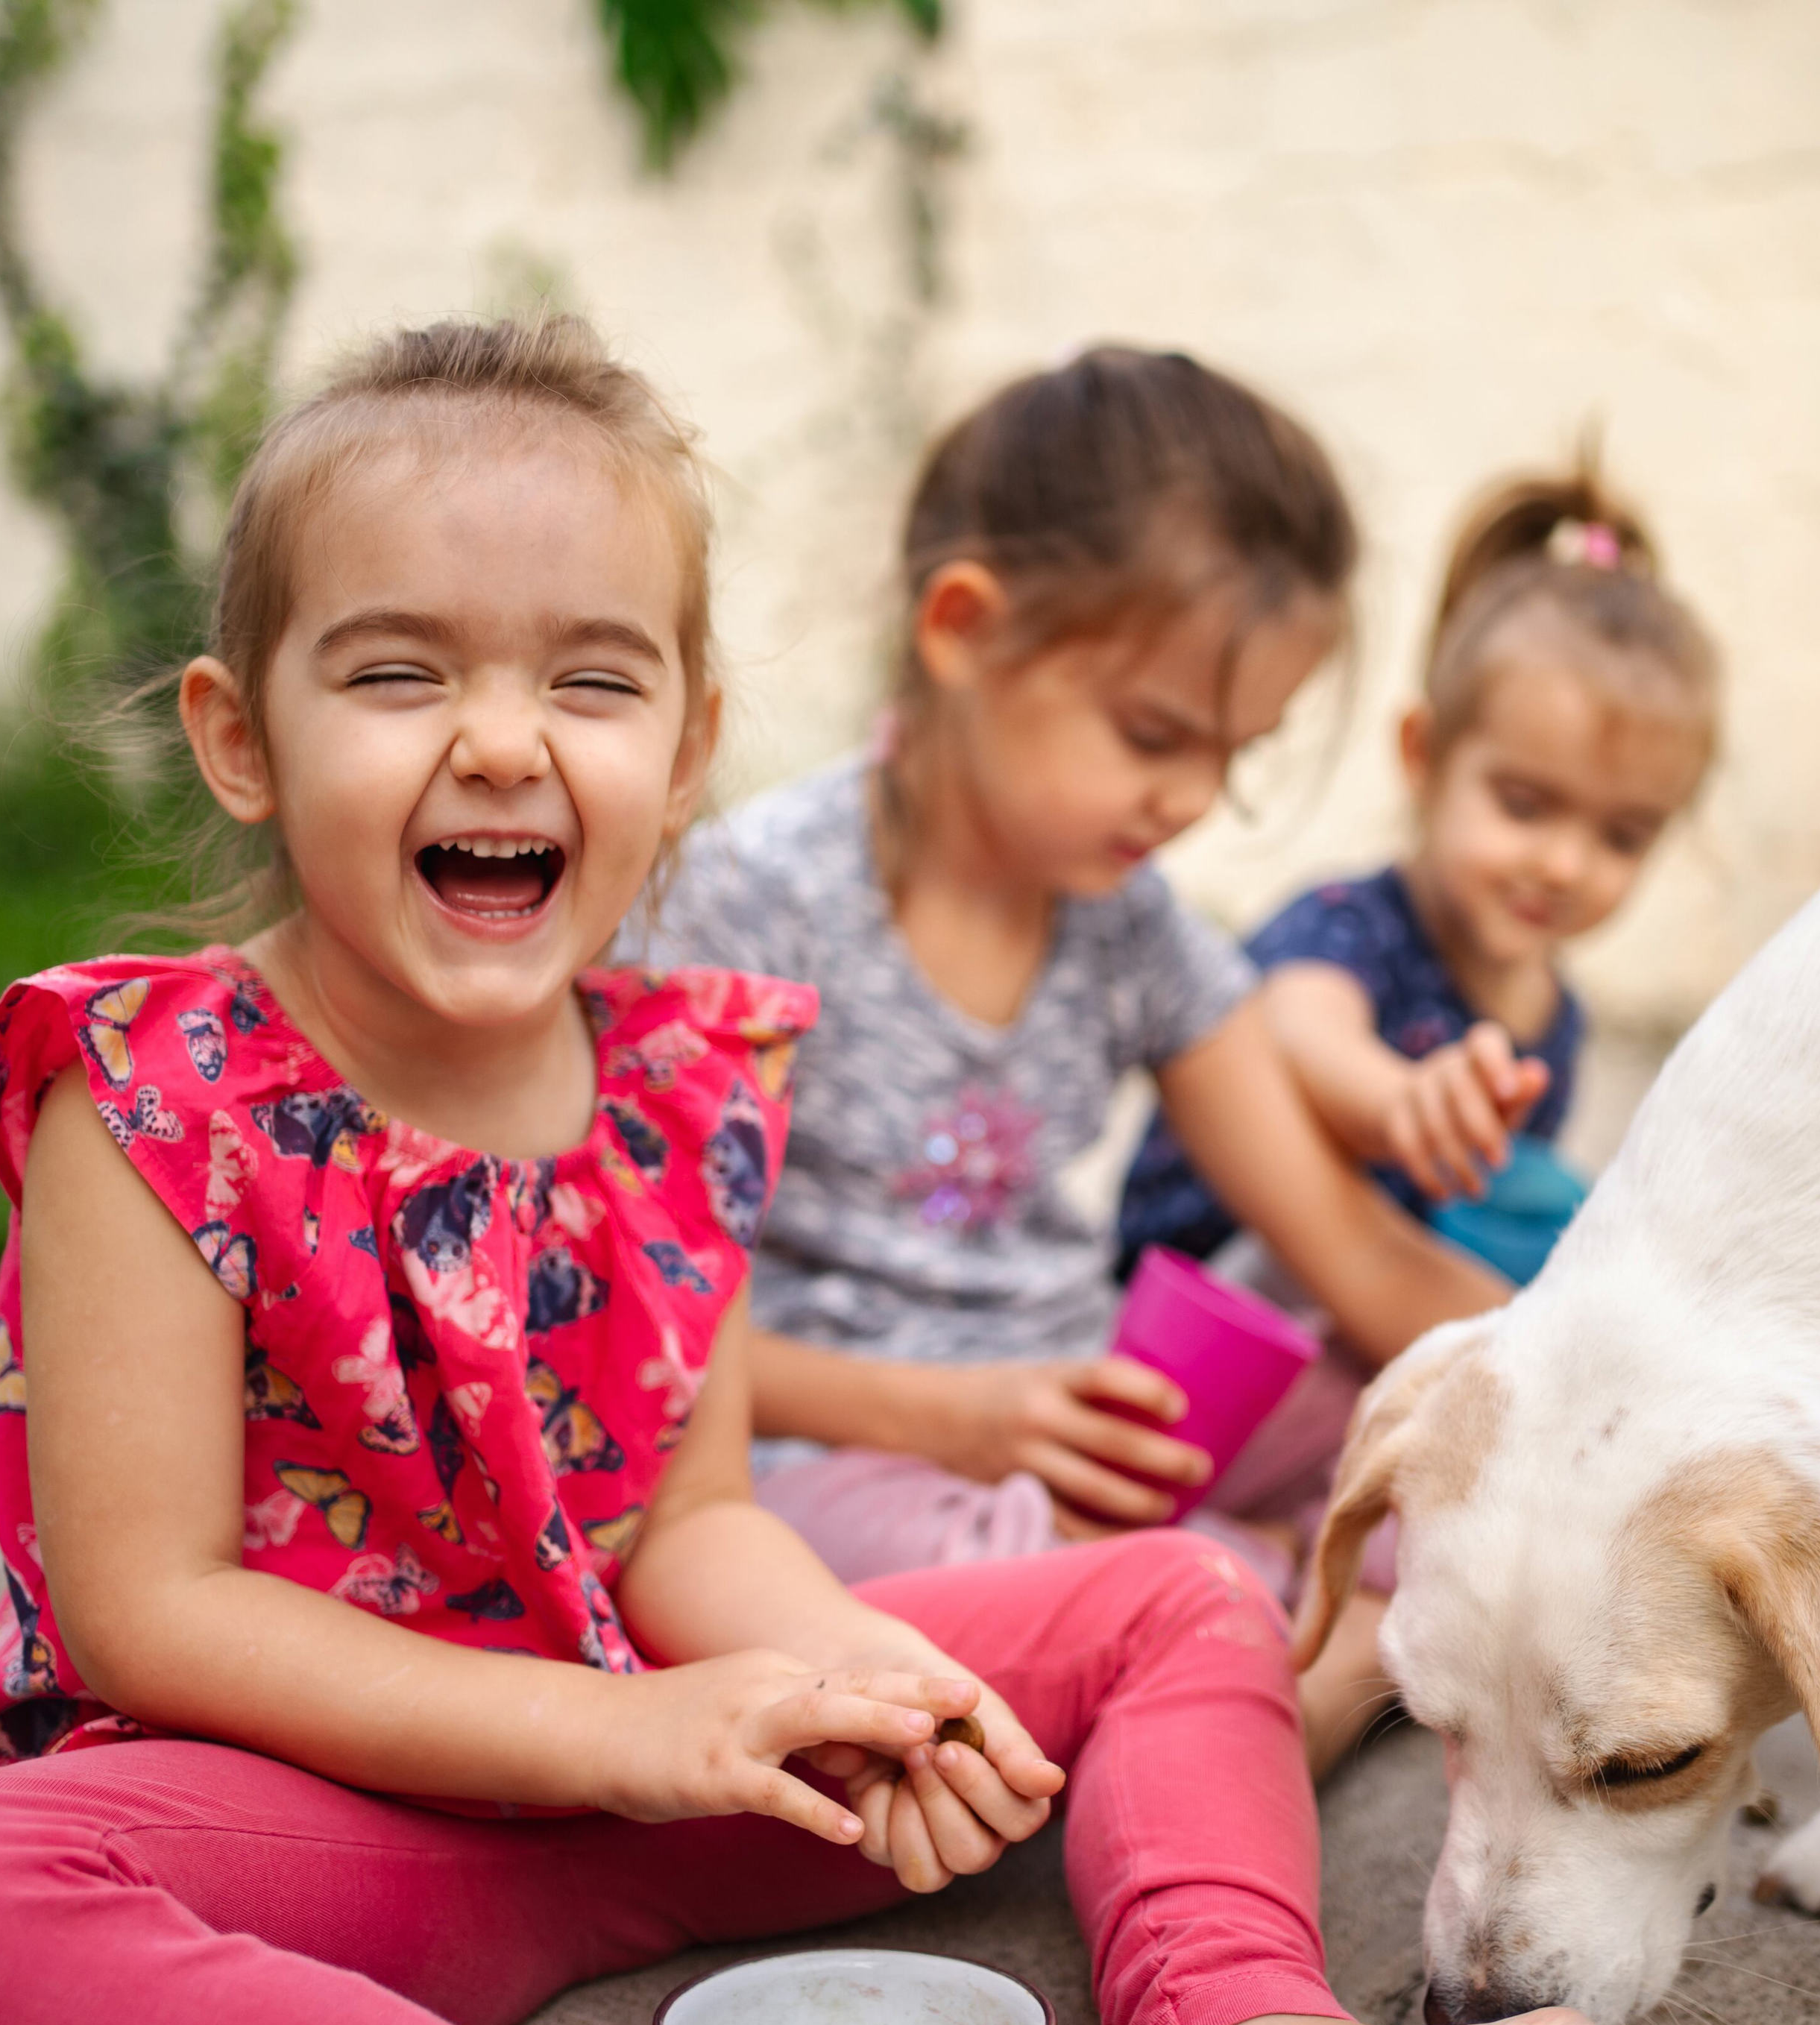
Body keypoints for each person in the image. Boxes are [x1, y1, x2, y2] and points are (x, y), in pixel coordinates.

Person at [0, 317, 1640, 2025]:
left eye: (588, 679)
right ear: (240, 735)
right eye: (401, 670)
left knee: (1178, 1593)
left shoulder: (675, 1085)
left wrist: (860, 1678)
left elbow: (686, 1518)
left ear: (677, 754)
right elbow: (145, 1613)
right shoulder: (157, 1092)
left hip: (690, 1795)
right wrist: (628, 1732)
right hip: (330, 1817)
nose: (504, 739)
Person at [640, 348, 1508, 1773]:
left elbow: (1345, 1243)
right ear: (964, 628)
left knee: (1431, 1428)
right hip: (846, 1462)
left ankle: (1263, 1627)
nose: (1187, 800)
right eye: (1154, 734)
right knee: (991, 1578)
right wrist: (959, 1417)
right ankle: (1306, 1646)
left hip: (1081, 1429)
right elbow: (653, 1345)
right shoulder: (747, 907)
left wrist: (1594, 1361)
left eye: (1233, 754)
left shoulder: (1131, 924)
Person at [1115, 459, 1719, 1288]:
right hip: (1205, 1280)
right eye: (1525, 805)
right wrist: (1402, 1099)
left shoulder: (1554, 1023)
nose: (1565, 864)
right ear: (1423, 756)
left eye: (1623, 835)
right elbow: (1294, 1031)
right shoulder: (1350, 922)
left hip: (1359, 1290)